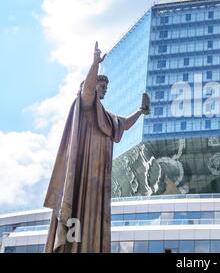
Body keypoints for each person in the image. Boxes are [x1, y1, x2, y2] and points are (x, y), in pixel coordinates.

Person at [43, 42, 150, 253]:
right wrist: (95, 65)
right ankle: (73, 247)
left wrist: (141, 111)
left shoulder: (107, 117)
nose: (104, 89)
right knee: (78, 207)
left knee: (95, 212)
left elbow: (125, 124)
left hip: (99, 174)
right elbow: (88, 89)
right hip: (83, 168)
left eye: (106, 87)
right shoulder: (86, 104)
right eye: (102, 86)